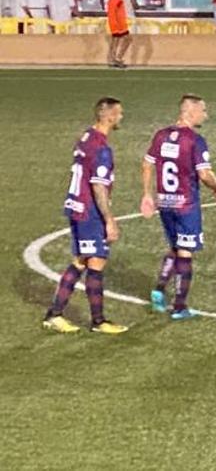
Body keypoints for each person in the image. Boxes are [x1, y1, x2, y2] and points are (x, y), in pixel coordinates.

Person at [42, 98, 127, 334]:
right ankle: (96, 321)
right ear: (108, 115)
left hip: (76, 206)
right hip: (89, 211)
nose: (121, 118)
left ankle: (56, 315)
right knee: (96, 261)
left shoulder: (85, 137)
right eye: (119, 114)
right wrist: (109, 219)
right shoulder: (101, 148)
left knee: (82, 259)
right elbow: (98, 186)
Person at [140, 95, 216, 320]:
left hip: (165, 202)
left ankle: (158, 291)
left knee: (175, 247)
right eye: (203, 110)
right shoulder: (194, 140)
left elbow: (147, 163)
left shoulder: (161, 135)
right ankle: (179, 307)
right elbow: (204, 174)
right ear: (190, 112)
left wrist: (147, 194)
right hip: (185, 204)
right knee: (185, 251)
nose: (206, 115)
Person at [106, 0, 132, 69]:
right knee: (126, 40)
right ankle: (117, 58)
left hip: (114, 22)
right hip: (119, 23)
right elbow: (116, 12)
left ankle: (113, 59)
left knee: (115, 42)